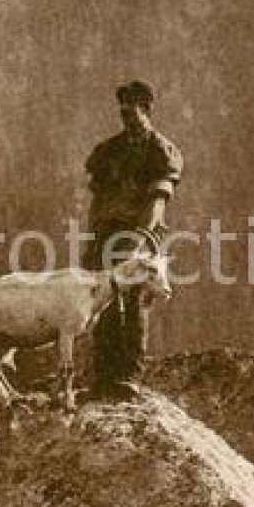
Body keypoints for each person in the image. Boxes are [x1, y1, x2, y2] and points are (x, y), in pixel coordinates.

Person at [85, 81, 183, 392]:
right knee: (101, 300)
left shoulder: (160, 151)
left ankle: (129, 375)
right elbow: (98, 198)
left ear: (147, 109)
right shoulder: (108, 151)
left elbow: (158, 200)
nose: (127, 115)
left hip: (139, 233)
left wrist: (139, 238)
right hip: (105, 234)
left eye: (134, 109)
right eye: (123, 109)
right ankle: (104, 376)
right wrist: (94, 238)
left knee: (136, 300)